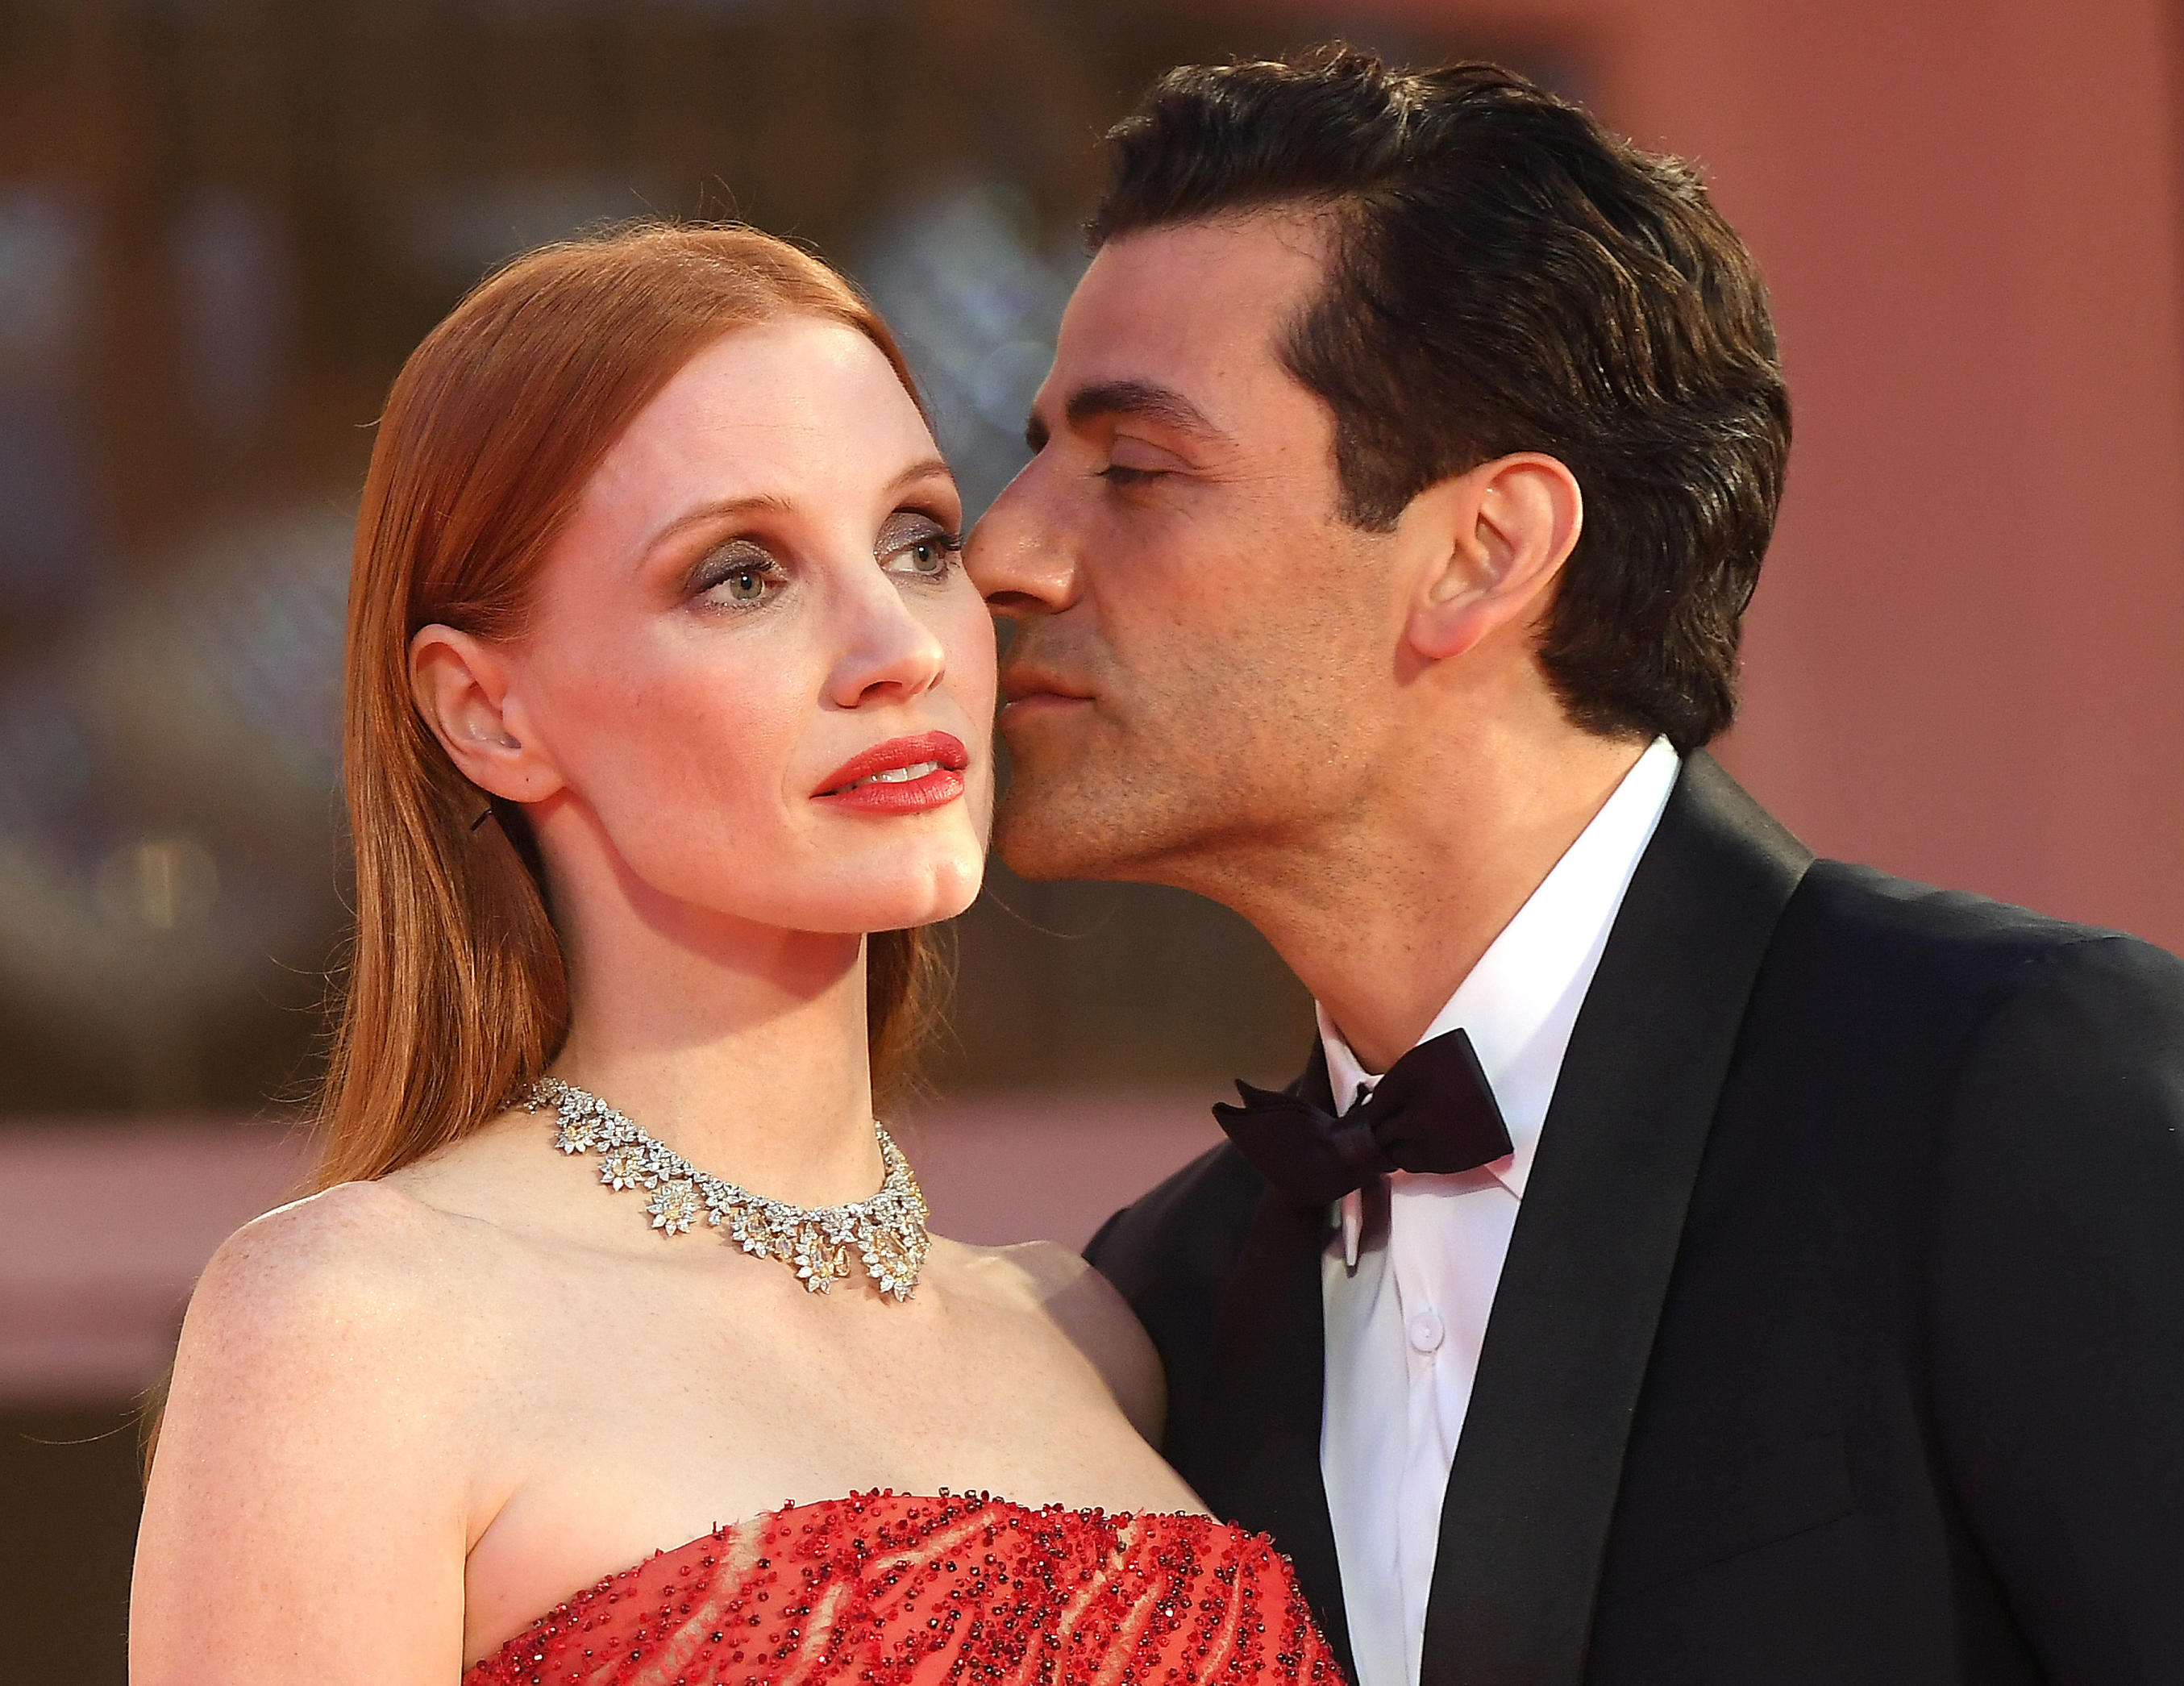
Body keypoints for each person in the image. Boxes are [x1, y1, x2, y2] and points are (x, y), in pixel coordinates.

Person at [967, 46, 2184, 1686]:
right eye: (1039, 453)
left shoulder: (2036, 1094)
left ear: (1483, 550)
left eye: (1134, 467)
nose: (1006, 546)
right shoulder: (1168, 1299)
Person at [131, 223, 1342, 1685]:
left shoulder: (1089, 1334)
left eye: (919, 540)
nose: (896, 644)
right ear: (486, 713)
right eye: (741, 575)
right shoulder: (356, 1327)